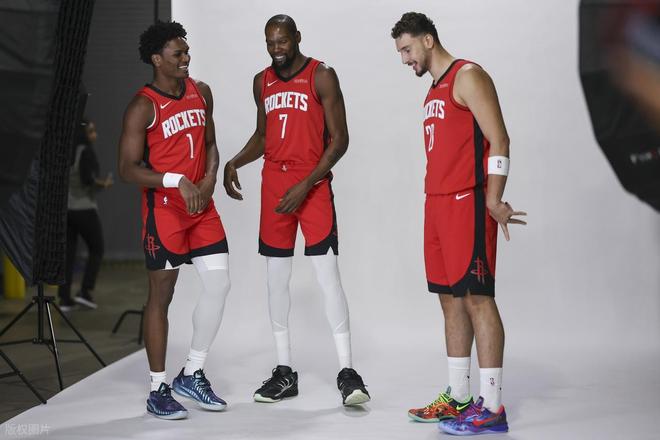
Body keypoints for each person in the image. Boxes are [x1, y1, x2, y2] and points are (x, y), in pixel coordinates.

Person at [223, 14, 370, 406]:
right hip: (275, 184)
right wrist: (235, 161)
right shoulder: (262, 81)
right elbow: (264, 135)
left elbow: (340, 140)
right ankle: (284, 371)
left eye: (283, 41)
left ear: (297, 38)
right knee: (276, 279)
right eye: (270, 42)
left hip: (313, 184)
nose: (276, 49)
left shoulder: (321, 76)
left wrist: (305, 184)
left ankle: (348, 371)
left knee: (327, 275)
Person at [391, 12, 526, 435]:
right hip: (436, 203)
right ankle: (459, 395)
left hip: (468, 202)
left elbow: (499, 138)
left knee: (477, 298)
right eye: (400, 53)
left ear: (428, 40)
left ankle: (492, 407)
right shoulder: (434, 88)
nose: (405, 59)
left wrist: (494, 198)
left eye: (407, 49)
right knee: (449, 300)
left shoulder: (468, 76)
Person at [118, 20, 230, 420]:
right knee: (161, 297)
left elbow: (211, 143)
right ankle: (157, 389)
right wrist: (176, 180)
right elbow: (127, 169)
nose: (186, 58)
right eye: (177, 53)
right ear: (156, 59)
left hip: (201, 208)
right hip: (164, 211)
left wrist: (210, 178)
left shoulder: (201, 92)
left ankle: (192, 372)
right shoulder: (143, 105)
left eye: (186, 51)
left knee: (219, 284)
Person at [58, 119, 112, 312]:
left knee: (69, 253)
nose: (95, 135)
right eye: (91, 131)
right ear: (84, 134)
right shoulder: (86, 152)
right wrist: (103, 184)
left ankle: (64, 298)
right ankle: (85, 291)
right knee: (97, 248)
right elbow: (87, 180)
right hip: (84, 208)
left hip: (67, 209)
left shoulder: (66, 151)